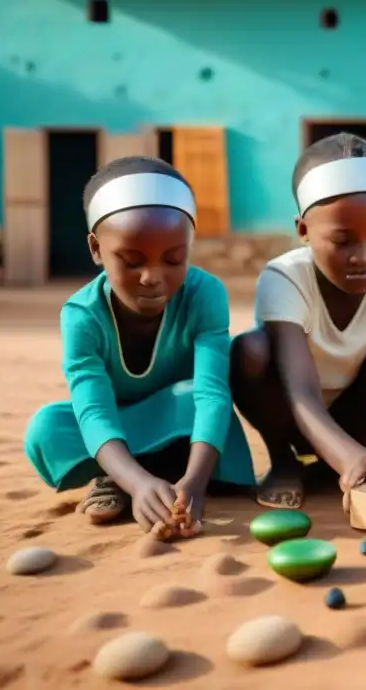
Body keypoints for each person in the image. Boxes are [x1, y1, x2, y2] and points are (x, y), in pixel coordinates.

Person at [24, 156, 256, 537]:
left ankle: (165, 479)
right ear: (97, 249)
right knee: (47, 427)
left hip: (182, 421)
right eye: (131, 261)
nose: (153, 277)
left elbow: (212, 395)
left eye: (174, 259)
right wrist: (137, 483)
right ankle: (121, 477)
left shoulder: (205, 293)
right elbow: (93, 410)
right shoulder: (81, 315)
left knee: (193, 395)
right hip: (117, 427)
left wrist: (195, 485)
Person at [230, 133, 366, 510]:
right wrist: (346, 456)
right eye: (343, 241)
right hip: (295, 416)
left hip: (362, 420)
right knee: (250, 350)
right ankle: (285, 462)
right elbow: (300, 390)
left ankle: (365, 458)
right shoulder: (284, 278)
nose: (364, 256)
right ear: (303, 230)